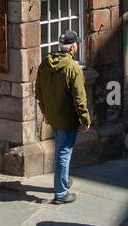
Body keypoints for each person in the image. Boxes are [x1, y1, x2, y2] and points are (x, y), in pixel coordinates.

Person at [35, 30, 90, 205]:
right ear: (73, 47)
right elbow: (80, 99)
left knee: (61, 149)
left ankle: (63, 181)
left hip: (52, 115)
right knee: (64, 153)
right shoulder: (73, 69)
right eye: (76, 45)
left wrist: (44, 111)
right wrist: (85, 120)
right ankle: (60, 193)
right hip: (67, 119)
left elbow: (38, 91)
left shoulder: (45, 63)